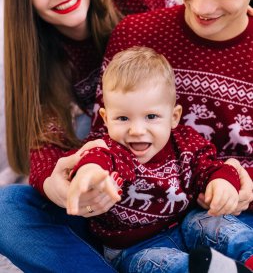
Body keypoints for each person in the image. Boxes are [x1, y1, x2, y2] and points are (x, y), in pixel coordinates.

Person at [76, 0, 253, 269]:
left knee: (234, 234)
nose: (203, 6)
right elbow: (102, 135)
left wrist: (241, 183)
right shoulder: (135, 34)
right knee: (9, 207)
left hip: (228, 207)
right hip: (134, 213)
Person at [0, 0, 171, 272]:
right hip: (108, 186)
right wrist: (58, 187)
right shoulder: (43, 57)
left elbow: (192, 38)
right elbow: (45, 140)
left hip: (173, 174)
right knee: (7, 208)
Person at [67, 46, 253, 273]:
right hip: (134, 247)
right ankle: (209, 270)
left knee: (222, 227)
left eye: (151, 116)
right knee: (163, 265)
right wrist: (89, 173)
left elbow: (209, 167)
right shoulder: (113, 150)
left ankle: (249, 256)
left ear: (174, 117)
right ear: (106, 119)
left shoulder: (185, 143)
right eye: (123, 118)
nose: (136, 130)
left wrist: (222, 182)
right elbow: (98, 160)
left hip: (188, 222)